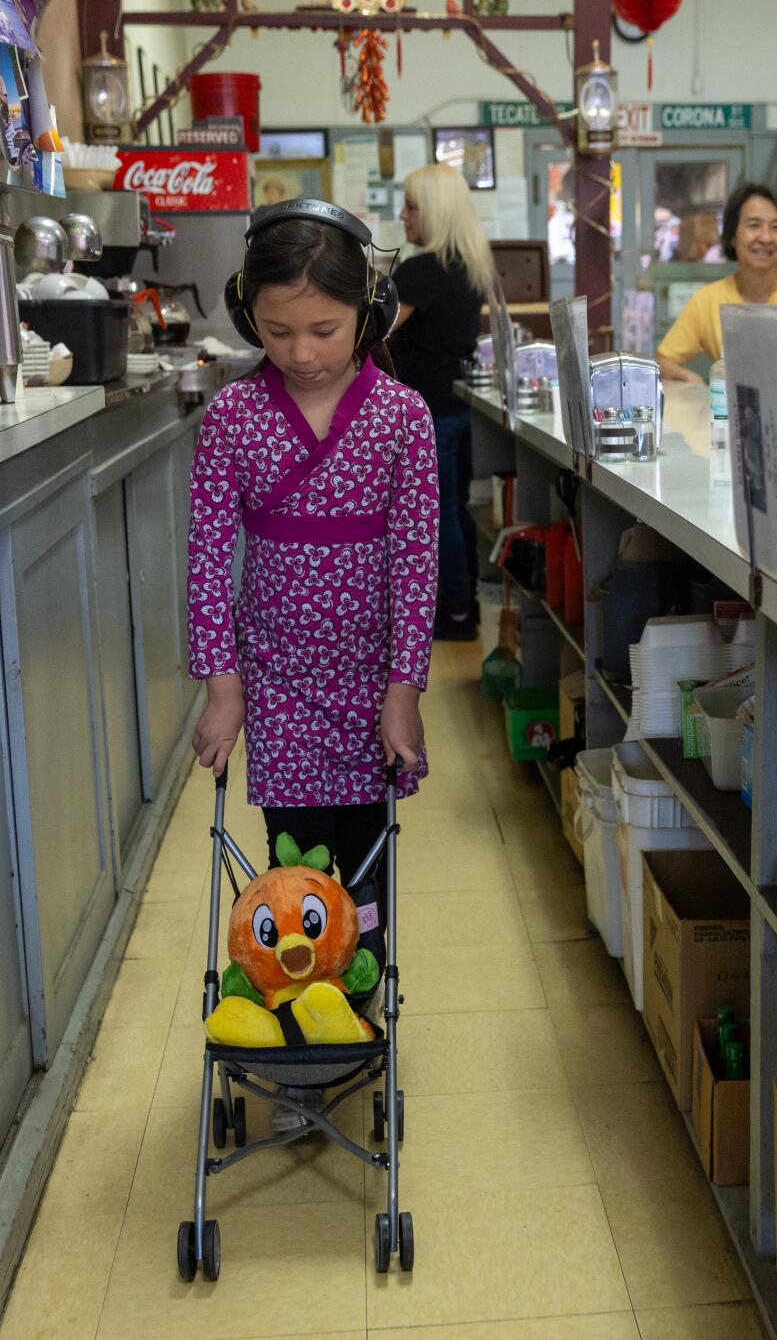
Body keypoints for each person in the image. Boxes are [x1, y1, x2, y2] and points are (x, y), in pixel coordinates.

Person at [186, 198, 439, 991]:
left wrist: (405, 689)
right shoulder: (232, 417)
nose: (300, 352)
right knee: (293, 873)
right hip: (280, 687)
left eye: (324, 330)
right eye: (276, 329)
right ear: (245, 313)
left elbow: (417, 565)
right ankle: (297, 1013)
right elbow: (205, 561)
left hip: (370, 687)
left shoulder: (403, 418)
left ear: (368, 314)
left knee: (364, 874)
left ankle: (359, 1005)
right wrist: (223, 686)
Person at [393, 163, 495, 641]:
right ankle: (464, 606)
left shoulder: (420, 271)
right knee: (457, 512)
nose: (403, 215)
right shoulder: (470, 267)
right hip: (459, 407)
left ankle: (453, 613)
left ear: (432, 211)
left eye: (411, 206)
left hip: (428, 412)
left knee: (436, 518)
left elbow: (375, 329)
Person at [656, 183, 777, 382]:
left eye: (776, 227)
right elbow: (664, 360)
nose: (765, 237)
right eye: (754, 225)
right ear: (732, 236)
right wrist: (694, 383)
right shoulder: (708, 301)